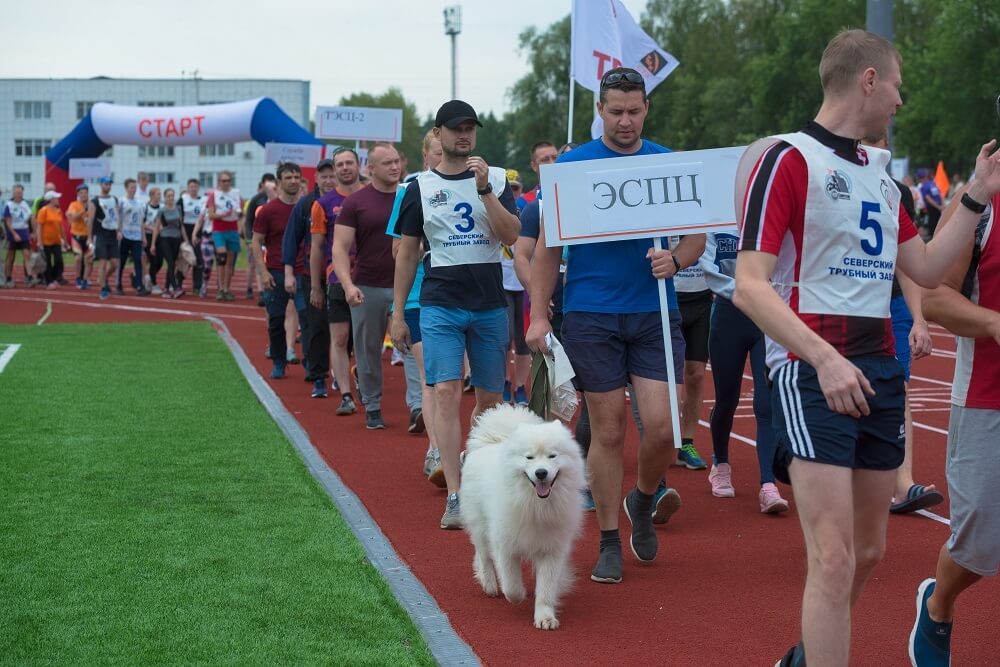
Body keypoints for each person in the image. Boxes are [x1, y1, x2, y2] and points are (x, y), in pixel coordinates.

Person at [731, 30, 999, 666]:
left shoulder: (881, 176)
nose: (902, 101)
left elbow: (929, 268)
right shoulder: (788, 160)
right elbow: (749, 285)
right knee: (833, 554)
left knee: (870, 550)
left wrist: (978, 191)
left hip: (879, 365)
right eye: (899, 85)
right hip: (812, 365)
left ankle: (803, 658)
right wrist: (822, 359)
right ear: (869, 80)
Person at [525, 68, 704, 584]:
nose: (625, 121)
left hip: (654, 312)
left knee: (665, 429)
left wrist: (676, 259)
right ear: (599, 111)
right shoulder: (572, 168)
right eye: (616, 111)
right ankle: (608, 540)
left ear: (646, 109)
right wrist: (539, 314)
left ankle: (642, 499)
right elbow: (547, 250)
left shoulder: (670, 164)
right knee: (606, 430)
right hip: (591, 313)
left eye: (634, 111)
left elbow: (695, 240)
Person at [390, 100, 520, 529]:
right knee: (445, 392)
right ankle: (457, 494)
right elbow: (407, 253)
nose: (463, 135)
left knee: (489, 399)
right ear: (438, 133)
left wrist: (484, 189)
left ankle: (479, 473)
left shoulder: (497, 179)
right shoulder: (417, 188)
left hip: (488, 303)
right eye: (455, 128)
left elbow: (512, 235)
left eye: (470, 128)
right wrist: (397, 313)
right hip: (440, 303)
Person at [908, 163, 1000, 667]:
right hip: (989, 393)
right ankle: (938, 605)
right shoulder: (979, 201)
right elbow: (934, 294)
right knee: (978, 542)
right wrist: (993, 322)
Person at [698, 232, 789, 512]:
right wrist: (747, 292)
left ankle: (767, 484)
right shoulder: (717, 223)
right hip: (728, 315)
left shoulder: (769, 221)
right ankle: (720, 463)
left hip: (765, 316)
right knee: (727, 400)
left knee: (766, 402)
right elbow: (711, 271)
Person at [387, 132, 444, 484]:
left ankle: (454, 451)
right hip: (419, 298)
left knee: (454, 381)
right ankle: (436, 451)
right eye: (436, 153)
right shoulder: (410, 193)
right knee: (433, 378)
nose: (442, 158)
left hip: (460, 297)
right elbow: (398, 252)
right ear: (425, 156)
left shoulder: (472, 186)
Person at [333, 143, 401, 430]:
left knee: (412, 347)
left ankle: (418, 407)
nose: (395, 167)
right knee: (368, 350)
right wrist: (348, 285)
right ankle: (372, 404)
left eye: (397, 161)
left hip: (405, 285)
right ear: (370, 168)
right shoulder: (356, 202)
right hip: (368, 285)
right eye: (388, 163)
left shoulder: (410, 197)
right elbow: (339, 248)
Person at [309, 150, 364, 412]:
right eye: (339, 164)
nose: (344, 168)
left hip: (370, 279)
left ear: (358, 165)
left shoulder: (373, 195)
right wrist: (315, 286)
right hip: (336, 281)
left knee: (368, 341)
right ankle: (345, 395)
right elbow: (317, 248)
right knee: (340, 339)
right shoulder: (323, 204)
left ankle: (366, 382)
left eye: (348, 163)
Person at [252, 162, 304, 379]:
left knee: (310, 320)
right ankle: (279, 361)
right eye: (288, 177)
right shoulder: (268, 210)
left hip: (304, 271)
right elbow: (256, 243)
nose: (293, 181)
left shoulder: (308, 207)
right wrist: (263, 273)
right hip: (275, 271)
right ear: (279, 181)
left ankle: (312, 365)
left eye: (296, 177)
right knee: (275, 320)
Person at [670, 235, 711, 470]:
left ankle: (686, 443)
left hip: (701, 298)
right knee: (670, 378)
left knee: (695, 374)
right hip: (670, 297)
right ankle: (665, 439)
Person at [206, 170, 243, 300]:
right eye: (223, 180)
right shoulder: (214, 195)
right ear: (219, 182)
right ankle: (220, 288)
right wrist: (223, 215)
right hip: (219, 230)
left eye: (228, 180)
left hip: (232, 230)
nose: (226, 183)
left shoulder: (236, 194)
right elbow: (210, 215)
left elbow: (241, 213)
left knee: (230, 262)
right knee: (221, 258)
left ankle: (227, 289)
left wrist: (238, 214)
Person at [150, 188, 188, 299]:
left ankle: (166, 289)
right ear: (165, 198)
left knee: (173, 264)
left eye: (172, 195)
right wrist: (153, 244)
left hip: (176, 239)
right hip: (165, 239)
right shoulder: (161, 211)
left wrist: (186, 240)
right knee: (170, 263)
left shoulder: (178, 209)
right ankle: (176, 288)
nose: (171, 198)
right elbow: (156, 228)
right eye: (168, 196)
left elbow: (181, 226)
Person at [87, 177, 120, 300]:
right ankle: (103, 288)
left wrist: (118, 231)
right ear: (101, 185)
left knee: (115, 263)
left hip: (112, 234)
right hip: (100, 234)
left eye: (110, 184)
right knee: (103, 261)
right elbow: (90, 220)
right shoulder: (94, 201)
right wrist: (90, 238)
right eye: (106, 184)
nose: (109, 186)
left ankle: (103, 278)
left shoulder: (114, 199)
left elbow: (115, 216)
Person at [244, 173, 275, 302]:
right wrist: (250, 239)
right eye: (267, 184)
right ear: (262, 185)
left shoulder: (278, 199)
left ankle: (266, 289)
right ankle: (257, 290)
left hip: (272, 240)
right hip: (258, 238)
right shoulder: (256, 200)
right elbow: (248, 220)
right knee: (256, 264)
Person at [116, 178, 147, 296]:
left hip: (137, 237)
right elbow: (118, 219)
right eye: (131, 187)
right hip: (124, 236)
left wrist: (143, 237)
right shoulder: (121, 201)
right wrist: (118, 231)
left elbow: (141, 221)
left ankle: (139, 285)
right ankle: (118, 284)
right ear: (126, 188)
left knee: (138, 260)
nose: (134, 190)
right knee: (122, 261)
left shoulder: (140, 203)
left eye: (135, 187)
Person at [179, 179, 207, 296]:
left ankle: (197, 286)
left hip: (198, 232)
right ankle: (177, 283)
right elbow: (179, 219)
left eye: (195, 186)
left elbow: (204, 218)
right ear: (188, 187)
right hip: (185, 231)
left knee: (198, 260)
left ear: (198, 188)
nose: (193, 188)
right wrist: (185, 237)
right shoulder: (183, 200)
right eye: (191, 186)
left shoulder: (203, 200)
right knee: (185, 260)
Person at [3, 184, 35, 287]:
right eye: (16, 193)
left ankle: (29, 277)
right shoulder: (9, 204)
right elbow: (7, 221)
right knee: (10, 256)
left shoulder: (25, 204)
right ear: (13, 193)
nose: (18, 194)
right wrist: (14, 234)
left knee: (27, 254)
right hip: (13, 231)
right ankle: (8, 277)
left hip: (24, 231)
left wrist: (33, 231)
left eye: (20, 193)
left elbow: (31, 217)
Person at [35, 192, 68, 288]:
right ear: (51, 199)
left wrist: (65, 240)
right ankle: (49, 281)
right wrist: (39, 241)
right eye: (56, 198)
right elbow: (39, 226)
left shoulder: (58, 211)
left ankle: (54, 277)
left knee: (58, 260)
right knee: (47, 261)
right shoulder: (43, 211)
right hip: (46, 241)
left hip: (56, 240)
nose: (58, 199)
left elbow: (60, 226)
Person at [516, 141, 558, 210]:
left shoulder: (572, 194)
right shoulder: (523, 202)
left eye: (555, 158)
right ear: (534, 166)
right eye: (545, 160)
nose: (552, 163)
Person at [66, 185, 92, 289]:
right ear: (78, 194)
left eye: (85, 192)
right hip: (76, 235)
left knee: (89, 259)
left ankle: (85, 279)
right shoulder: (74, 204)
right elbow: (73, 217)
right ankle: (78, 278)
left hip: (88, 236)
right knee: (78, 258)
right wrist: (83, 210)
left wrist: (89, 220)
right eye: (81, 193)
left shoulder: (92, 205)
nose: (84, 195)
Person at [142, 187, 163, 294]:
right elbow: (142, 223)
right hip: (148, 236)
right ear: (152, 195)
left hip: (159, 236)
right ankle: (153, 284)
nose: (160, 196)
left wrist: (161, 227)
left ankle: (148, 277)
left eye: (160, 194)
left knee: (160, 262)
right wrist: (152, 228)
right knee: (153, 260)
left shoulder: (162, 207)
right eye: (158, 194)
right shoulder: (145, 207)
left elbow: (163, 222)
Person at [917, 168, 944, 238]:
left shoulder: (929, 185)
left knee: (935, 224)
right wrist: (940, 206)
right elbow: (930, 198)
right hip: (934, 207)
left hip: (936, 207)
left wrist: (941, 205)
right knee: (934, 224)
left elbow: (934, 196)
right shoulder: (928, 185)